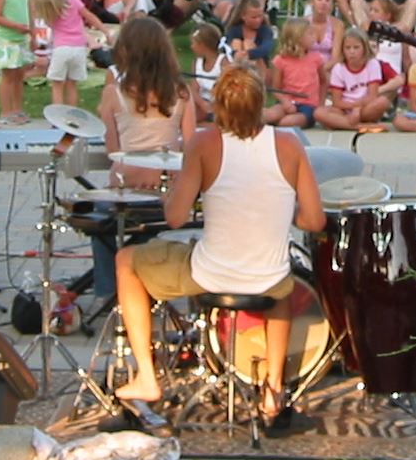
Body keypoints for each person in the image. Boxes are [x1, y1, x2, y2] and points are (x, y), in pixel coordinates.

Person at [108, 65, 325, 429]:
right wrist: (287, 213)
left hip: (211, 274)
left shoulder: (205, 143)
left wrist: (171, 189)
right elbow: (315, 221)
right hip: (268, 277)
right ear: (261, 105)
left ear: (219, 107)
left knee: (126, 259)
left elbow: (176, 218)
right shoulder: (289, 144)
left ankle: (146, 375)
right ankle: (272, 393)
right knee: (280, 283)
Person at [100, 17, 197, 192]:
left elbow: (112, 149)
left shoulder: (112, 93)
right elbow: (191, 145)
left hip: (126, 176)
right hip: (168, 177)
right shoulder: (182, 93)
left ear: (125, 50)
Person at [29, 0, 88, 109]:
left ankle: (58, 117)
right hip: (79, 47)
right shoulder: (73, 1)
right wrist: (104, 30)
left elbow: (49, 25)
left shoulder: (51, 14)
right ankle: (73, 115)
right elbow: (89, 16)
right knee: (72, 84)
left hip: (61, 48)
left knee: (57, 85)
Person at [261, 17, 322, 128]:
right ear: (298, 38)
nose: (314, 37)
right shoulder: (280, 60)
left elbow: (324, 81)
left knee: (287, 123)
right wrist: (285, 102)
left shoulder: (316, 58)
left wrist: (320, 104)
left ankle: (273, 125)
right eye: (310, 34)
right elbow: (276, 88)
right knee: (270, 115)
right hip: (286, 102)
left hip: (308, 105)